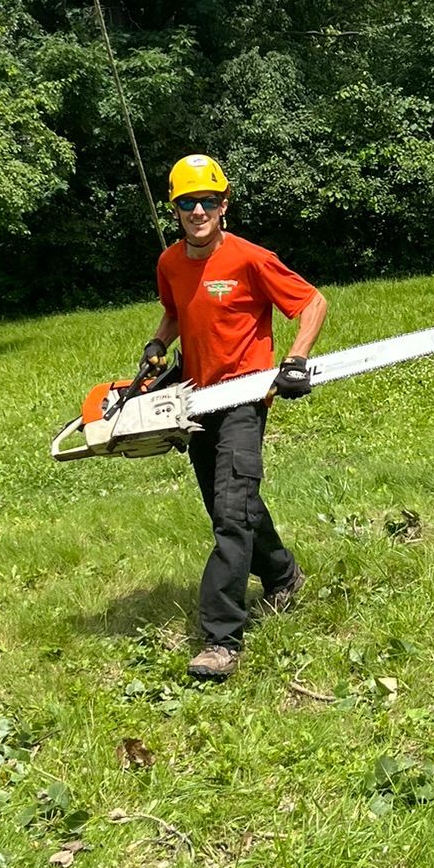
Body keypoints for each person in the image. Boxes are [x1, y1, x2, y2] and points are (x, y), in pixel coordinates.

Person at [140, 154, 327, 681]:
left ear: (225, 204)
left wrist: (294, 360)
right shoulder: (170, 262)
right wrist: (159, 342)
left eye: (207, 201)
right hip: (197, 400)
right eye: (186, 203)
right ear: (175, 208)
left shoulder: (250, 258)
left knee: (230, 512)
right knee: (233, 504)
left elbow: (312, 302)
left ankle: (222, 638)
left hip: (245, 396)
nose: (197, 211)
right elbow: (177, 310)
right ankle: (284, 576)